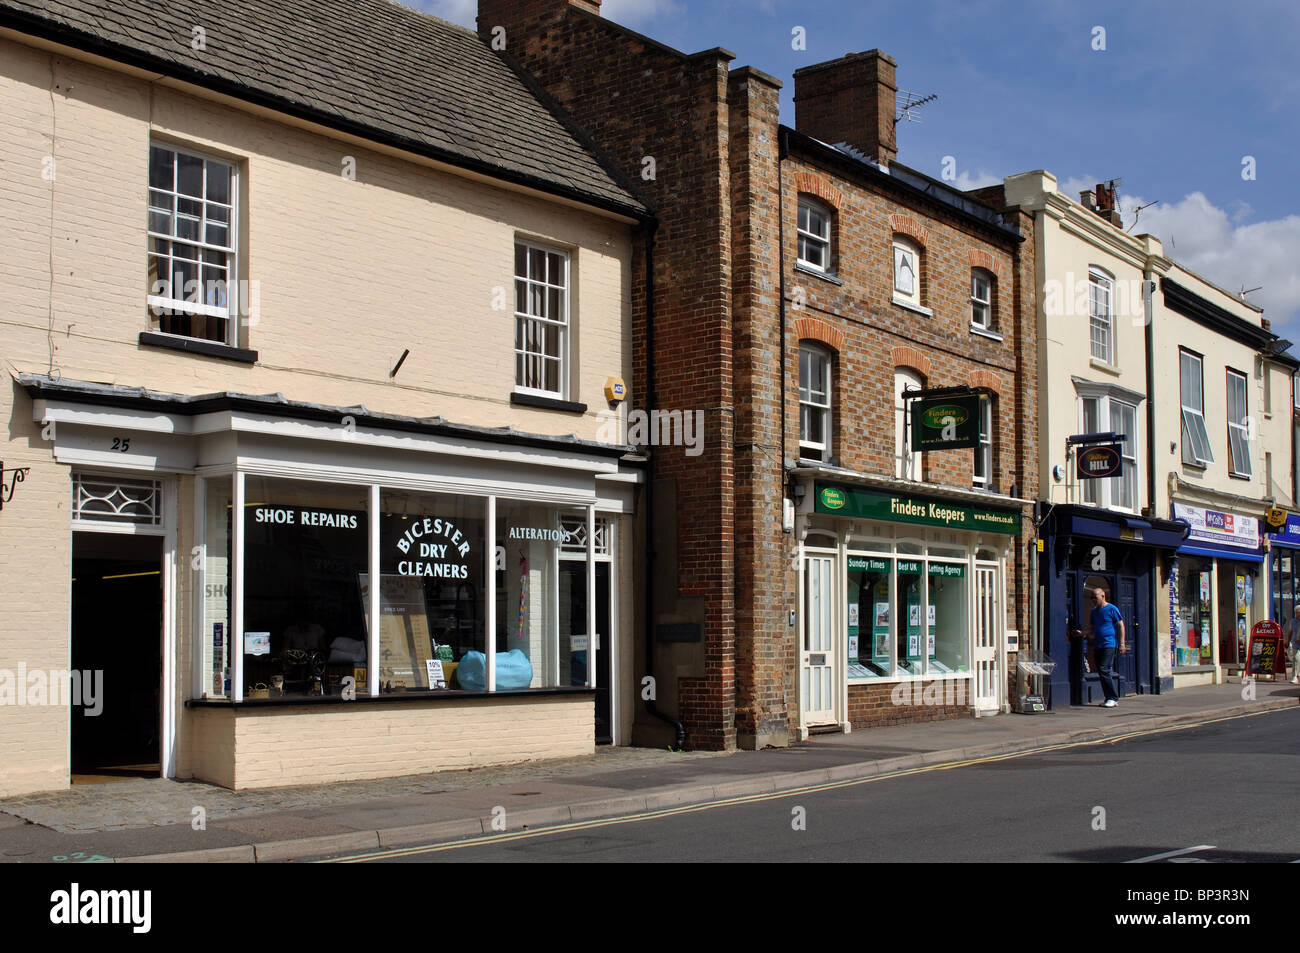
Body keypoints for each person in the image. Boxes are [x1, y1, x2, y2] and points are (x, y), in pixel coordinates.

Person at [1085, 587, 1126, 707]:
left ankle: (1113, 697)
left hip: (1109, 644)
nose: (1093, 600)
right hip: (1098, 644)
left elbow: (1121, 625)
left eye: (1095, 597)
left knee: (1104, 669)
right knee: (1101, 671)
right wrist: (1083, 633)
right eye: (1092, 598)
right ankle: (1109, 698)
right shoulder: (1094, 611)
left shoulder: (1112, 609)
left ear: (1103, 596)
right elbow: (1091, 627)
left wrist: (1122, 643)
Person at [1287, 605, 1300, 685]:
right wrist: (1288, 641)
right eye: (1297, 613)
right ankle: (1295, 677)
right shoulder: (1293, 621)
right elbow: (1291, 631)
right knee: (1296, 659)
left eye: (1299, 612)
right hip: (1296, 643)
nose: (1298, 614)